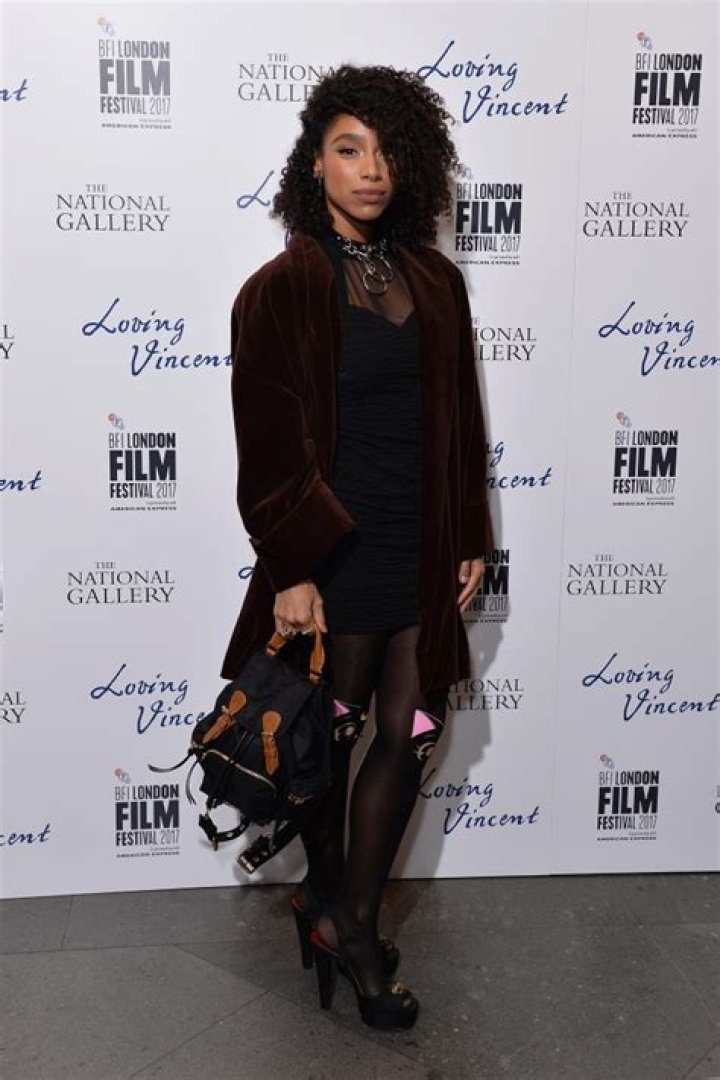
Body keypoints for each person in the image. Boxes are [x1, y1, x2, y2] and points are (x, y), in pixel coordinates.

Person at [221, 65, 493, 1031]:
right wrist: (291, 566)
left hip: (421, 542)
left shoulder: (436, 279)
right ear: (316, 163)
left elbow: (459, 420)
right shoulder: (284, 287)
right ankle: (339, 915)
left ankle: (350, 917)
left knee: (412, 728)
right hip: (336, 550)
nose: (370, 170)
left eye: (385, 152)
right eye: (349, 150)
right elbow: (266, 443)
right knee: (327, 740)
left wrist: (469, 533)